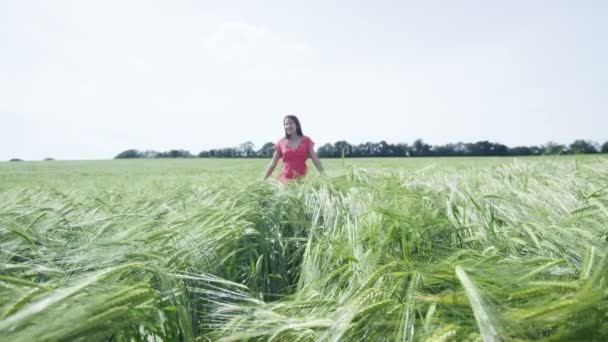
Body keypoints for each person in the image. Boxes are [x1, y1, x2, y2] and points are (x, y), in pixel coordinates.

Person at [262, 115, 324, 183]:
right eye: (286, 124)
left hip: (301, 180)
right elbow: (273, 163)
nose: (288, 126)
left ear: (297, 125)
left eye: (291, 123)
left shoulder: (306, 140)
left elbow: (315, 160)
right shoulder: (281, 142)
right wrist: (263, 180)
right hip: (284, 180)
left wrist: (324, 176)